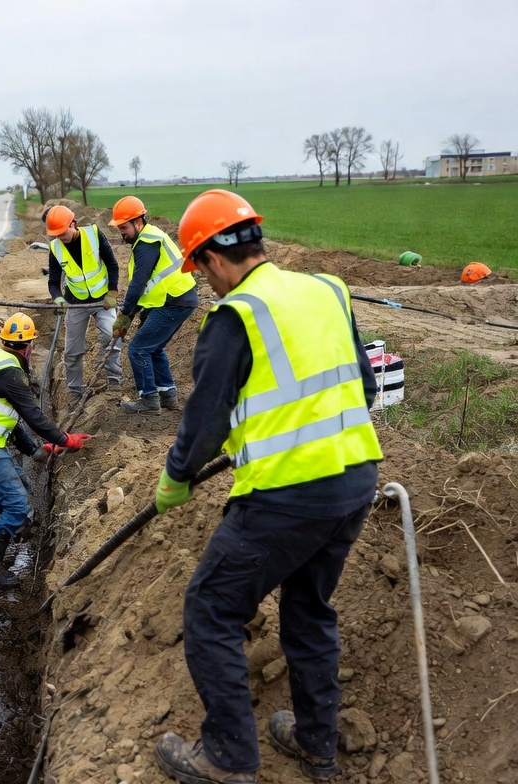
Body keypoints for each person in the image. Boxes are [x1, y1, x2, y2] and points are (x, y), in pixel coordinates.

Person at [150, 190, 383, 784]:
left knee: (210, 608)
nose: (204, 282)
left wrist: (175, 477)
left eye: (199, 269)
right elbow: (364, 386)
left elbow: (205, 423)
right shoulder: (328, 289)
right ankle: (316, 747)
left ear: (210, 259)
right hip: (354, 480)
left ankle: (228, 758)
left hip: (285, 497)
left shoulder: (236, 316)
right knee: (308, 610)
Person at [0, 313, 91, 588]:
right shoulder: (11, 374)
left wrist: (38, 452)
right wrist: (65, 439)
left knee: (22, 486)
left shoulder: (1, 362)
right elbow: (33, 416)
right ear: (29, 346)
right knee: (17, 504)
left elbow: (10, 422)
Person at [108, 195, 199, 412]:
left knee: (138, 349)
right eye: (119, 227)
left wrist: (125, 315)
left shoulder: (147, 243)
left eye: (124, 227)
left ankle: (149, 399)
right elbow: (148, 285)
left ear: (138, 221)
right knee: (153, 348)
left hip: (174, 301)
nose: (121, 231)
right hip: (176, 300)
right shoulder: (147, 238)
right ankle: (167, 395)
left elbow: (138, 284)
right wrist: (135, 312)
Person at [43, 205, 122, 399]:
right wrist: (59, 298)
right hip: (76, 303)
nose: (60, 237)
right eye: (56, 234)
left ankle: (114, 381)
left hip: (102, 300)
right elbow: (53, 282)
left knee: (113, 336)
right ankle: (74, 391)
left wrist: (112, 292)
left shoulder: (94, 234)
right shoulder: (55, 248)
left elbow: (112, 265)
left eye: (63, 232)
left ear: (73, 224)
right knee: (72, 351)